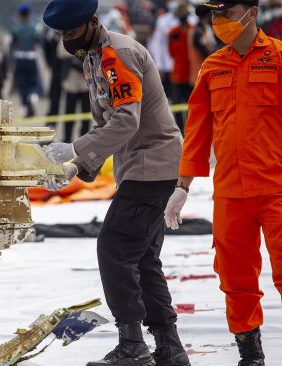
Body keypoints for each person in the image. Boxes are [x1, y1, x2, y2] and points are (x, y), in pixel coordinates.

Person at [42, 1, 190, 365]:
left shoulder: (117, 55)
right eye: (62, 34)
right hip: (142, 166)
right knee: (142, 259)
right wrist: (79, 165)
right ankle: (169, 348)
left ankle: (132, 345)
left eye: (73, 32)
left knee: (114, 248)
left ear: (92, 22)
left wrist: (75, 150)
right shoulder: (94, 57)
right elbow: (108, 125)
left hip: (151, 165)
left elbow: (126, 122)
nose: (67, 40)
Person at [165, 1, 282, 364]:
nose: (217, 23)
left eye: (225, 14)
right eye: (213, 16)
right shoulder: (213, 67)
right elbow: (197, 131)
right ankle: (251, 355)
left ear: (251, 12)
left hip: (277, 189)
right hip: (230, 194)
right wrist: (182, 187)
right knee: (234, 280)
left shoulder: (278, 58)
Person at [11, 3, 43, 117]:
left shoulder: (16, 28)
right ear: (29, 14)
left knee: (22, 83)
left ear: (20, 15)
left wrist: (10, 62)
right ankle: (32, 97)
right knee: (33, 81)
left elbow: (12, 46)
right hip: (31, 58)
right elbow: (40, 42)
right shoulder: (35, 27)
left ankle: (26, 102)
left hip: (19, 58)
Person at [168, 4, 193, 134]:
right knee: (177, 105)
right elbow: (171, 52)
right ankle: (181, 132)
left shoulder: (193, 31)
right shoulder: (173, 33)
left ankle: (190, 131)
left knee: (191, 106)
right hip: (178, 75)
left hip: (191, 75)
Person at [60, 47, 91, 142]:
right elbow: (61, 52)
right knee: (69, 113)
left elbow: (92, 54)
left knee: (86, 114)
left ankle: (84, 140)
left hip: (86, 83)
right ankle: (67, 139)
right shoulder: (68, 35)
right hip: (71, 83)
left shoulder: (87, 38)